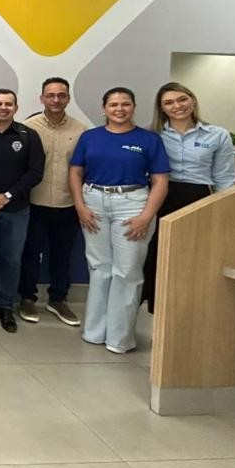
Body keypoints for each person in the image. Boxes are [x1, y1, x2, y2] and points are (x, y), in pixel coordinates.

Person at [69, 87, 169, 353]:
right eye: (113, 105)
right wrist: (80, 206)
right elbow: (76, 172)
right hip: (94, 202)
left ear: (133, 107)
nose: (119, 109)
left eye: (125, 104)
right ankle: (94, 332)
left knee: (127, 271)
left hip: (132, 204)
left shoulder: (148, 140)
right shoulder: (90, 137)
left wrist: (146, 216)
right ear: (104, 108)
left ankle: (119, 339)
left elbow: (160, 181)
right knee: (99, 268)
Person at [142, 82, 235, 313]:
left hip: (198, 197)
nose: (177, 106)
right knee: (158, 253)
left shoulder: (218, 135)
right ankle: (157, 309)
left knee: (193, 255)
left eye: (182, 99)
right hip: (161, 196)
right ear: (162, 108)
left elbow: (225, 177)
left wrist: (226, 210)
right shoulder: (152, 135)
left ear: (192, 100)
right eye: (169, 103)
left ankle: (187, 310)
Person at [0, 89, 45, 333]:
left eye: (8, 104)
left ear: (16, 107)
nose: (3, 108)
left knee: (12, 259)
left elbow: (35, 172)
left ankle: (5, 307)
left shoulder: (28, 135)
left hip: (17, 210)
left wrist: (8, 195)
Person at [19, 77, 87, 327]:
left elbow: (84, 168)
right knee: (30, 254)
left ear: (68, 98)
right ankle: (27, 298)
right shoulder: (28, 127)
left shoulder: (81, 130)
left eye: (61, 95)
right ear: (42, 98)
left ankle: (58, 299)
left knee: (62, 255)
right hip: (34, 202)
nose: (56, 100)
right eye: (50, 95)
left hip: (67, 203)